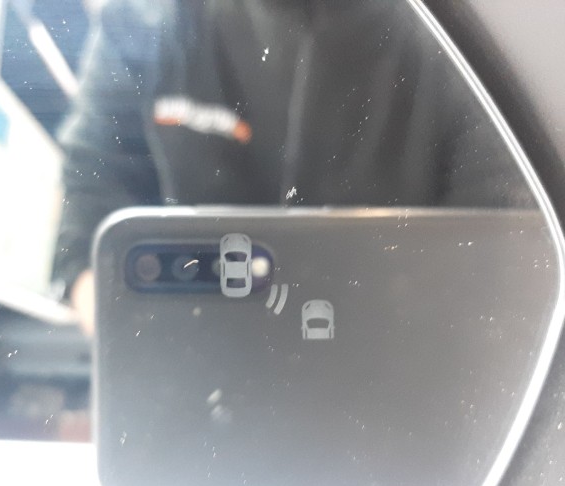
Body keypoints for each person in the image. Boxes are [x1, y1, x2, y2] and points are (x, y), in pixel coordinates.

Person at [52, 0, 531, 333]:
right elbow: (88, 210)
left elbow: (509, 244)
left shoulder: (467, 41)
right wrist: (130, 344)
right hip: (190, 382)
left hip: (408, 383)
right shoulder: (143, 20)